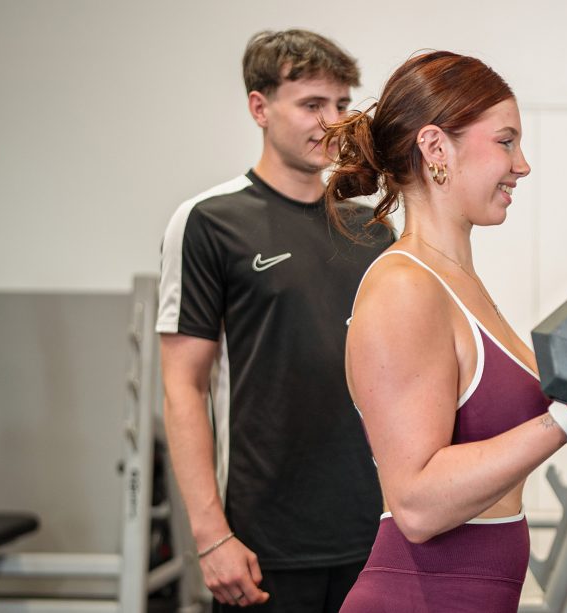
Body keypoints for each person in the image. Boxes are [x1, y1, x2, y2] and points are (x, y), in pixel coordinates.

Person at [323, 51, 567, 613]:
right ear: (435, 148)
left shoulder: (458, 281)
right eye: (505, 142)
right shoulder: (405, 286)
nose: (522, 165)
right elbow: (417, 504)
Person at [156, 29, 391, 612]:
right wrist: (212, 536)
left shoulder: (373, 231)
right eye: (312, 104)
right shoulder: (210, 221)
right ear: (259, 108)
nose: (332, 122)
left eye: (341, 104)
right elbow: (183, 387)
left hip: (375, 530)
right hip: (264, 540)